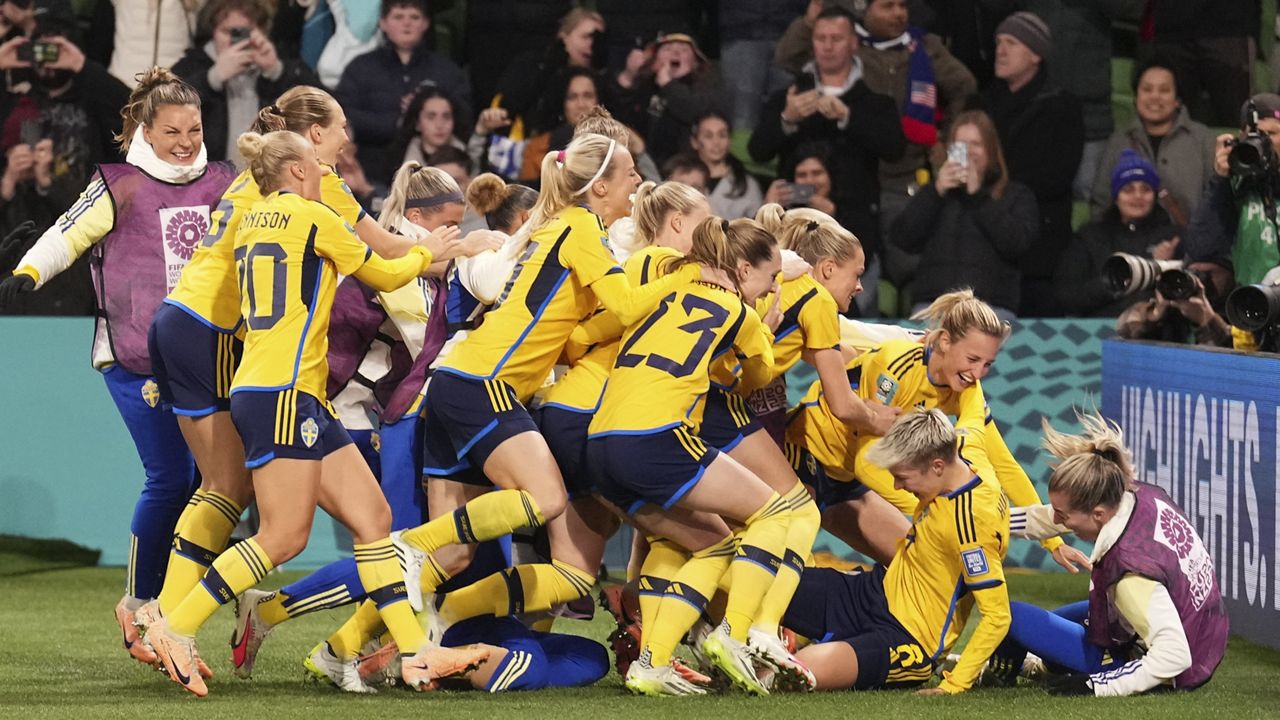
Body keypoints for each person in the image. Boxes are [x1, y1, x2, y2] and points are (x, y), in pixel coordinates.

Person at [141, 129, 485, 697]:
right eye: (321, 165)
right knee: (283, 537)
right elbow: (384, 273)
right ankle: (173, 628)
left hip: (284, 390)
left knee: (375, 522)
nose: (331, 172)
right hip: (283, 393)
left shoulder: (254, 216)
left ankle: (418, 652)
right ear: (299, 172)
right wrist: (437, 252)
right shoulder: (314, 215)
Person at [392, 132, 718, 651]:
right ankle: (409, 548)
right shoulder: (582, 231)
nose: (637, 181)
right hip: (486, 383)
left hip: (467, 381)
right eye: (628, 173)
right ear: (599, 187)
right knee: (542, 500)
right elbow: (630, 307)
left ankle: (337, 645)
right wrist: (692, 276)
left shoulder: (564, 226)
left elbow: (577, 328)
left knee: (456, 556)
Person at [0, 67, 237, 664]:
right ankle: (138, 603)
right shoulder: (119, 184)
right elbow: (66, 235)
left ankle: (172, 611)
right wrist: (27, 273)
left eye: (195, 128)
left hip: (213, 359)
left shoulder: (227, 181)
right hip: (136, 358)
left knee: (218, 488)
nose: (185, 141)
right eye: (172, 131)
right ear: (145, 131)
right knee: (173, 478)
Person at [587, 216, 791, 696]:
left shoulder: (664, 291)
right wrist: (763, 329)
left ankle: (651, 665)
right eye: (771, 277)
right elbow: (760, 376)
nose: (773, 287)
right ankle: (733, 634)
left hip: (598, 442)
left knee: (714, 544)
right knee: (773, 513)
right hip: (654, 436)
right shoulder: (740, 313)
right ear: (743, 270)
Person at [786, 290, 1088, 574]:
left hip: (845, 481)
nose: (977, 373)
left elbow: (1001, 463)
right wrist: (937, 505)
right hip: (803, 455)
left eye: (987, 365)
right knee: (782, 559)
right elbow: (868, 460)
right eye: (972, 360)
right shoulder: (897, 366)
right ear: (944, 341)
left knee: (924, 571)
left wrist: (1053, 542)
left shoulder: (969, 390)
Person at [982, 411, 1228, 697]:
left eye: (1064, 516)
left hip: (1175, 664)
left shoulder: (1130, 576)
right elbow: (1051, 517)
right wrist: (986, 524)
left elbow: (1175, 657)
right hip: (1203, 635)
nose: (1059, 524)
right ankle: (1042, 664)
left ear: (1097, 514)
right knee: (1061, 620)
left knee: (1009, 615)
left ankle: (998, 674)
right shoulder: (1134, 494)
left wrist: (1098, 685)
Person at [778, 409, 1011, 695]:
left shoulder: (971, 527)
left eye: (902, 476)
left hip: (905, 639)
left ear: (937, 466)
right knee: (762, 575)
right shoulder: (966, 448)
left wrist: (955, 684)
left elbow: (998, 616)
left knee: (796, 672)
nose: (897, 486)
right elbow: (974, 404)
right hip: (871, 593)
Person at [750, 6, 906, 310]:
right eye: (821, 38)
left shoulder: (874, 101)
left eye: (836, 37)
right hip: (794, 234)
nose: (828, 45)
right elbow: (758, 150)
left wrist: (849, 116)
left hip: (857, 234)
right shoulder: (790, 97)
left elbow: (895, 149)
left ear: (853, 43)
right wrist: (787, 118)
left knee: (857, 321)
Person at [974, 11, 1082, 317]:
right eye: (998, 42)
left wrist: (999, 185)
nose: (1001, 50)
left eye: (1011, 42)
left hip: (1039, 248)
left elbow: (1058, 175)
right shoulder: (982, 105)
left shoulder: (1063, 107)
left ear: (1036, 54)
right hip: (987, 241)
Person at [891, 110, 1038, 321]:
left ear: (991, 150)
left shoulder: (1015, 195)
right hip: (934, 306)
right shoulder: (936, 194)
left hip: (990, 308)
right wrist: (936, 191)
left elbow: (1017, 243)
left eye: (975, 144)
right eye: (960, 145)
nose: (968, 152)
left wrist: (978, 195)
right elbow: (903, 238)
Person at [336, 0, 472, 186]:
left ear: (425, 23)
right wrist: (403, 120)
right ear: (382, 23)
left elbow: (463, 116)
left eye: (414, 17)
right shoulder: (360, 68)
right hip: (370, 172)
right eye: (398, 17)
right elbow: (343, 116)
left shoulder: (446, 70)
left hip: (435, 174)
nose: (406, 23)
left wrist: (427, 112)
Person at [171, 0, 321, 163]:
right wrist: (212, 78)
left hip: (266, 180)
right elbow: (165, 106)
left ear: (262, 31)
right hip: (208, 179)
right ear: (213, 31)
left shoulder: (281, 63)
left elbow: (322, 106)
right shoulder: (193, 65)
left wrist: (277, 71)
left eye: (245, 32)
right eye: (229, 32)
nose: (236, 41)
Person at [1089, 58, 1217, 223]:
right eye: (1147, 89)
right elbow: (1102, 201)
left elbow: (1216, 201)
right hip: (1128, 243)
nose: (1155, 97)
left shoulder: (1203, 139)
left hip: (1187, 244)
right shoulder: (1119, 140)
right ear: (1136, 97)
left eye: (1164, 90)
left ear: (1177, 100)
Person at [1058, 150, 1181, 317]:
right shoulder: (1089, 237)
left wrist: (1168, 269)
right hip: (1098, 331)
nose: (1138, 196)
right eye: (1128, 189)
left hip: (1157, 329)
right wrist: (1120, 278)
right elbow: (1068, 297)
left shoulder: (1173, 237)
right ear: (1116, 197)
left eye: (1145, 189)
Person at [1185, 94, 1280, 296]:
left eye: (1272, 133)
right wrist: (1220, 179)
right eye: (1255, 136)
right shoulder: (1235, 185)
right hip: (1252, 306)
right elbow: (1201, 249)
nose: (1263, 144)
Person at [609, 32, 725, 165]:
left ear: (695, 62)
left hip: (686, 168)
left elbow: (694, 112)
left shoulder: (705, 87)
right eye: (667, 49)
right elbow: (620, 118)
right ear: (654, 60)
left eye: (684, 49)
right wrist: (627, 77)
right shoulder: (644, 86)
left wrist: (669, 85)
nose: (675, 53)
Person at [690, 110, 763, 220]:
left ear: (730, 140)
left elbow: (757, 229)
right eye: (708, 136)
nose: (716, 142)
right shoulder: (681, 179)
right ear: (694, 142)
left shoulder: (748, 185)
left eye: (722, 135)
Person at [390, 84, 467, 176]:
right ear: (417, 123)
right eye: (431, 117)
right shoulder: (399, 163)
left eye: (446, 117)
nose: (439, 125)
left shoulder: (466, 155)